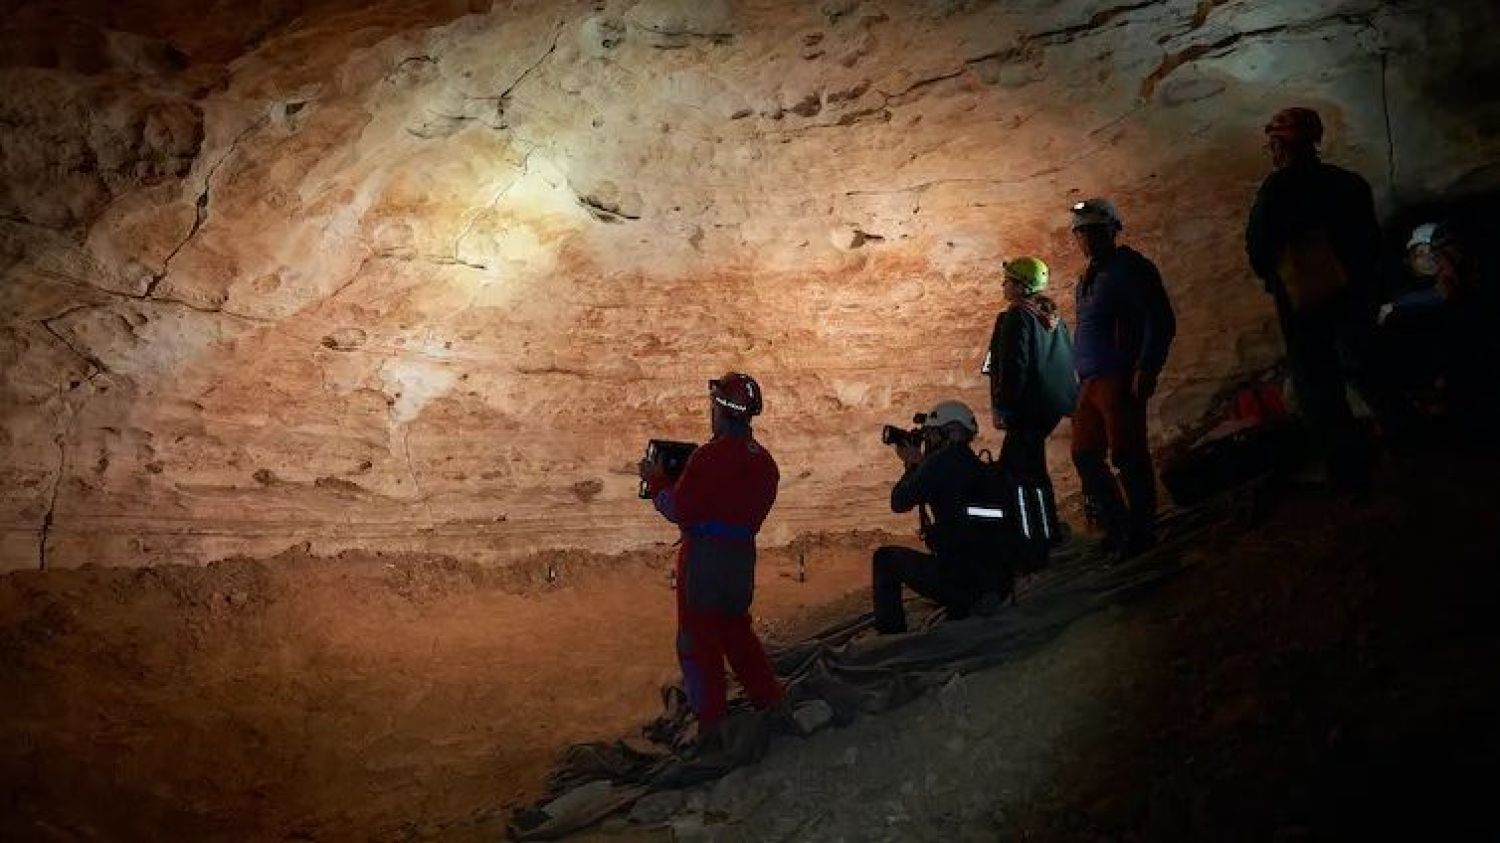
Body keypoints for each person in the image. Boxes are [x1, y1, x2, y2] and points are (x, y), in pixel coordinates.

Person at [1245, 106, 1389, 488]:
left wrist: (1276, 275)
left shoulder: (1277, 190)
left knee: (1318, 384)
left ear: (1282, 145)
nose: (1271, 152)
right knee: (1367, 368)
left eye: (1272, 144)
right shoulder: (1349, 183)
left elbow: (1259, 248)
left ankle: (1347, 469)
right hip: (1354, 295)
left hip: (1304, 302)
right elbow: (1372, 242)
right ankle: (1407, 437)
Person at [639, 372, 783, 734]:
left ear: (720, 408)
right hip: (741, 559)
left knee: (698, 640)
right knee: (737, 633)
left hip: (704, 559)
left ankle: (712, 726)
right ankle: (772, 701)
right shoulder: (766, 463)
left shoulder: (709, 457)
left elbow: (679, 509)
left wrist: (657, 481)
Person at [1068, 198, 1176, 560]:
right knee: (1085, 455)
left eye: (1094, 231)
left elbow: (1159, 319)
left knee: (1128, 455)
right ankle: (1118, 526)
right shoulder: (1087, 277)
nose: (1087, 239)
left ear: (1113, 230)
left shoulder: (1130, 268)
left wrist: (1147, 366)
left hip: (1119, 375)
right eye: (1081, 232)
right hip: (1090, 380)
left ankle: (1141, 531)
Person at [871, 400, 1003, 634]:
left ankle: (890, 635)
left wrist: (912, 465)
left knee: (884, 559)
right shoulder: (974, 463)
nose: (928, 442)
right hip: (993, 580)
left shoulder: (941, 463)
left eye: (931, 435)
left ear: (951, 432)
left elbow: (899, 502)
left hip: (960, 580)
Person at [986, 256, 1079, 562]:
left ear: (1020, 286)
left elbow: (1015, 367)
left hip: (1027, 409)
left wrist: (1004, 406)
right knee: (1033, 469)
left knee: (1018, 475)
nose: (1004, 285)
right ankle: (1047, 529)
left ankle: (1031, 542)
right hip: (1050, 407)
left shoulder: (1017, 317)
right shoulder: (1051, 316)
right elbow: (1066, 363)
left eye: (1008, 280)